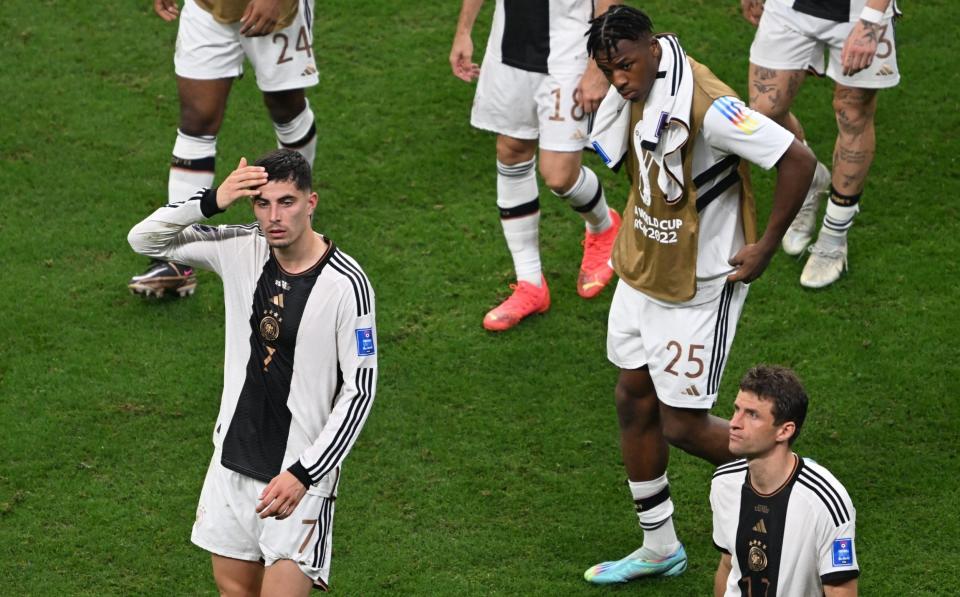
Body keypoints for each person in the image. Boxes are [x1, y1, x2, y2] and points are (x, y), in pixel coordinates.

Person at [580, 6, 817, 584]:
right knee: (633, 398)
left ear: (651, 45)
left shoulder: (705, 104)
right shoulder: (640, 80)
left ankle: (808, 503)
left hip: (698, 284)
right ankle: (660, 546)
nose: (619, 81)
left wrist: (764, 246)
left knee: (682, 425)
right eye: (608, 69)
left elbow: (797, 159)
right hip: (642, 268)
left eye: (626, 65)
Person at [128, 149, 376, 595]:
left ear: (311, 201)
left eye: (287, 202)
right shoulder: (241, 246)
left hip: (296, 477)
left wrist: (306, 473)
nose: (274, 216)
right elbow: (143, 241)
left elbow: (360, 391)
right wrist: (212, 200)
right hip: (232, 464)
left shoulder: (347, 285)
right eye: (262, 203)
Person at [449, 0, 623, 331]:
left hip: (569, 51)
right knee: (512, 149)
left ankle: (604, 226)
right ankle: (530, 284)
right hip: (510, 47)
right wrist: (464, 31)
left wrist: (598, 64)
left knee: (559, 176)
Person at [129, 0, 320, 298]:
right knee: (197, 118)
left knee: (286, 107)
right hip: (208, 7)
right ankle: (177, 260)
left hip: (277, 10)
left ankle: (299, 219)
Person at [740, 0, 901, 288]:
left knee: (852, 113)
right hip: (789, 5)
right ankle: (811, 178)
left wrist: (871, 20)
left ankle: (833, 238)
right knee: (764, 109)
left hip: (859, 10)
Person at [712, 365, 859, 596]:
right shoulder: (724, 482)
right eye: (736, 409)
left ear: (784, 430)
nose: (734, 422)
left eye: (752, 415)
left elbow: (840, 588)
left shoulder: (825, 501)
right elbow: (728, 564)